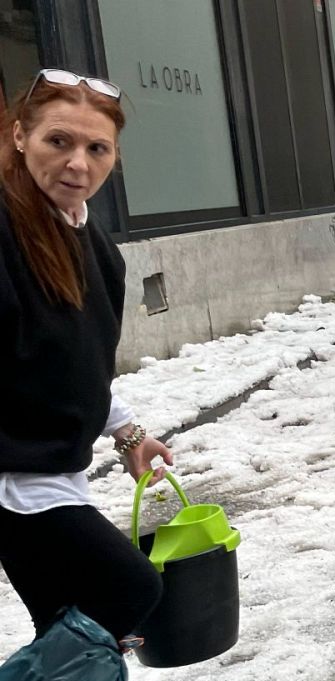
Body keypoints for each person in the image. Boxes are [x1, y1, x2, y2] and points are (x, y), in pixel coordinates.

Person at [0, 69, 173, 646]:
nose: (78, 163)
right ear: (21, 136)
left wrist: (126, 432)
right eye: (58, 141)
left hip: (47, 470)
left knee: (66, 621)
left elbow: (73, 364)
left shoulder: (90, 242)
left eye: (96, 148)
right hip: (15, 480)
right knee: (129, 590)